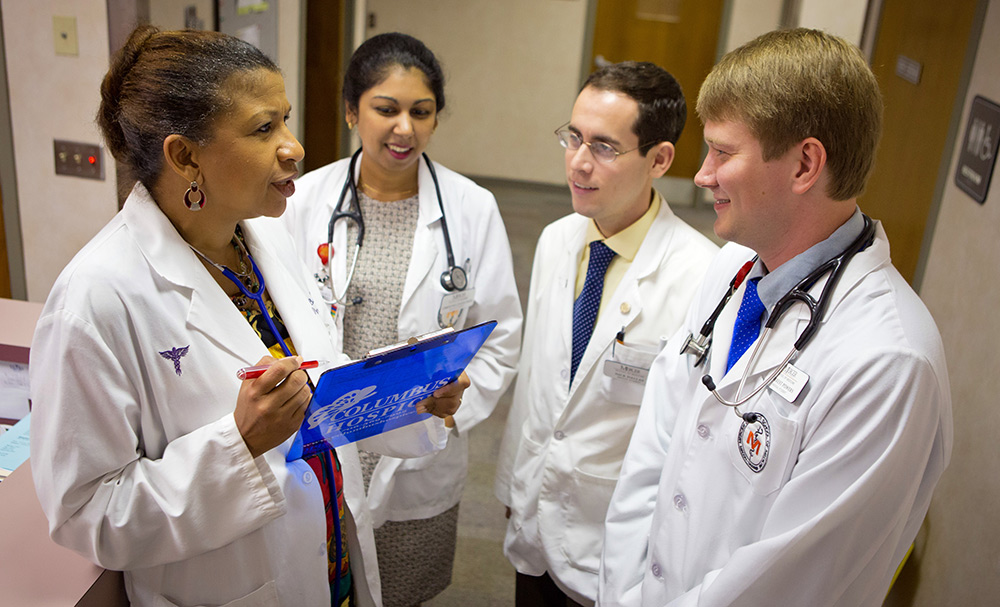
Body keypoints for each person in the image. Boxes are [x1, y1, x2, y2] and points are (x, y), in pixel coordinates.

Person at [29, 26, 467, 607]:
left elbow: (317, 393)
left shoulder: (266, 240)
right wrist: (238, 445)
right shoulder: (96, 299)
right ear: (186, 157)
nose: (294, 146)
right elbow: (88, 517)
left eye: (285, 120)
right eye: (265, 128)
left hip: (332, 558)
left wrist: (409, 396)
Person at [598, 28, 953, 606]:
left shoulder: (888, 363)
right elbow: (654, 447)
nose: (702, 175)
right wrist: (623, 592)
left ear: (805, 165)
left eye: (722, 151)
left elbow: (783, 582)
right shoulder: (734, 267)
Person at [282, 32, 521, 606]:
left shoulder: (471, 208)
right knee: (325, 583)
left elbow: (502, 332)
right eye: (385, 110)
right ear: (351, 112)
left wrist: (455, 404)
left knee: (403, 589)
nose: (404, 129)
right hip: (327, 437)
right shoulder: (303, 200)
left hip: (418, 437)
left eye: (421, 111)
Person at [494, 61, 719, 606]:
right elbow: (537, 383)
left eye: (603, 147)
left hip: (613, 542)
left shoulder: (703, 277)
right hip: (532, 517)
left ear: (659, 159)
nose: (578, 162)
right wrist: (510, 485)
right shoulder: (555, 240)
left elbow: (688, 438)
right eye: (572, 138)